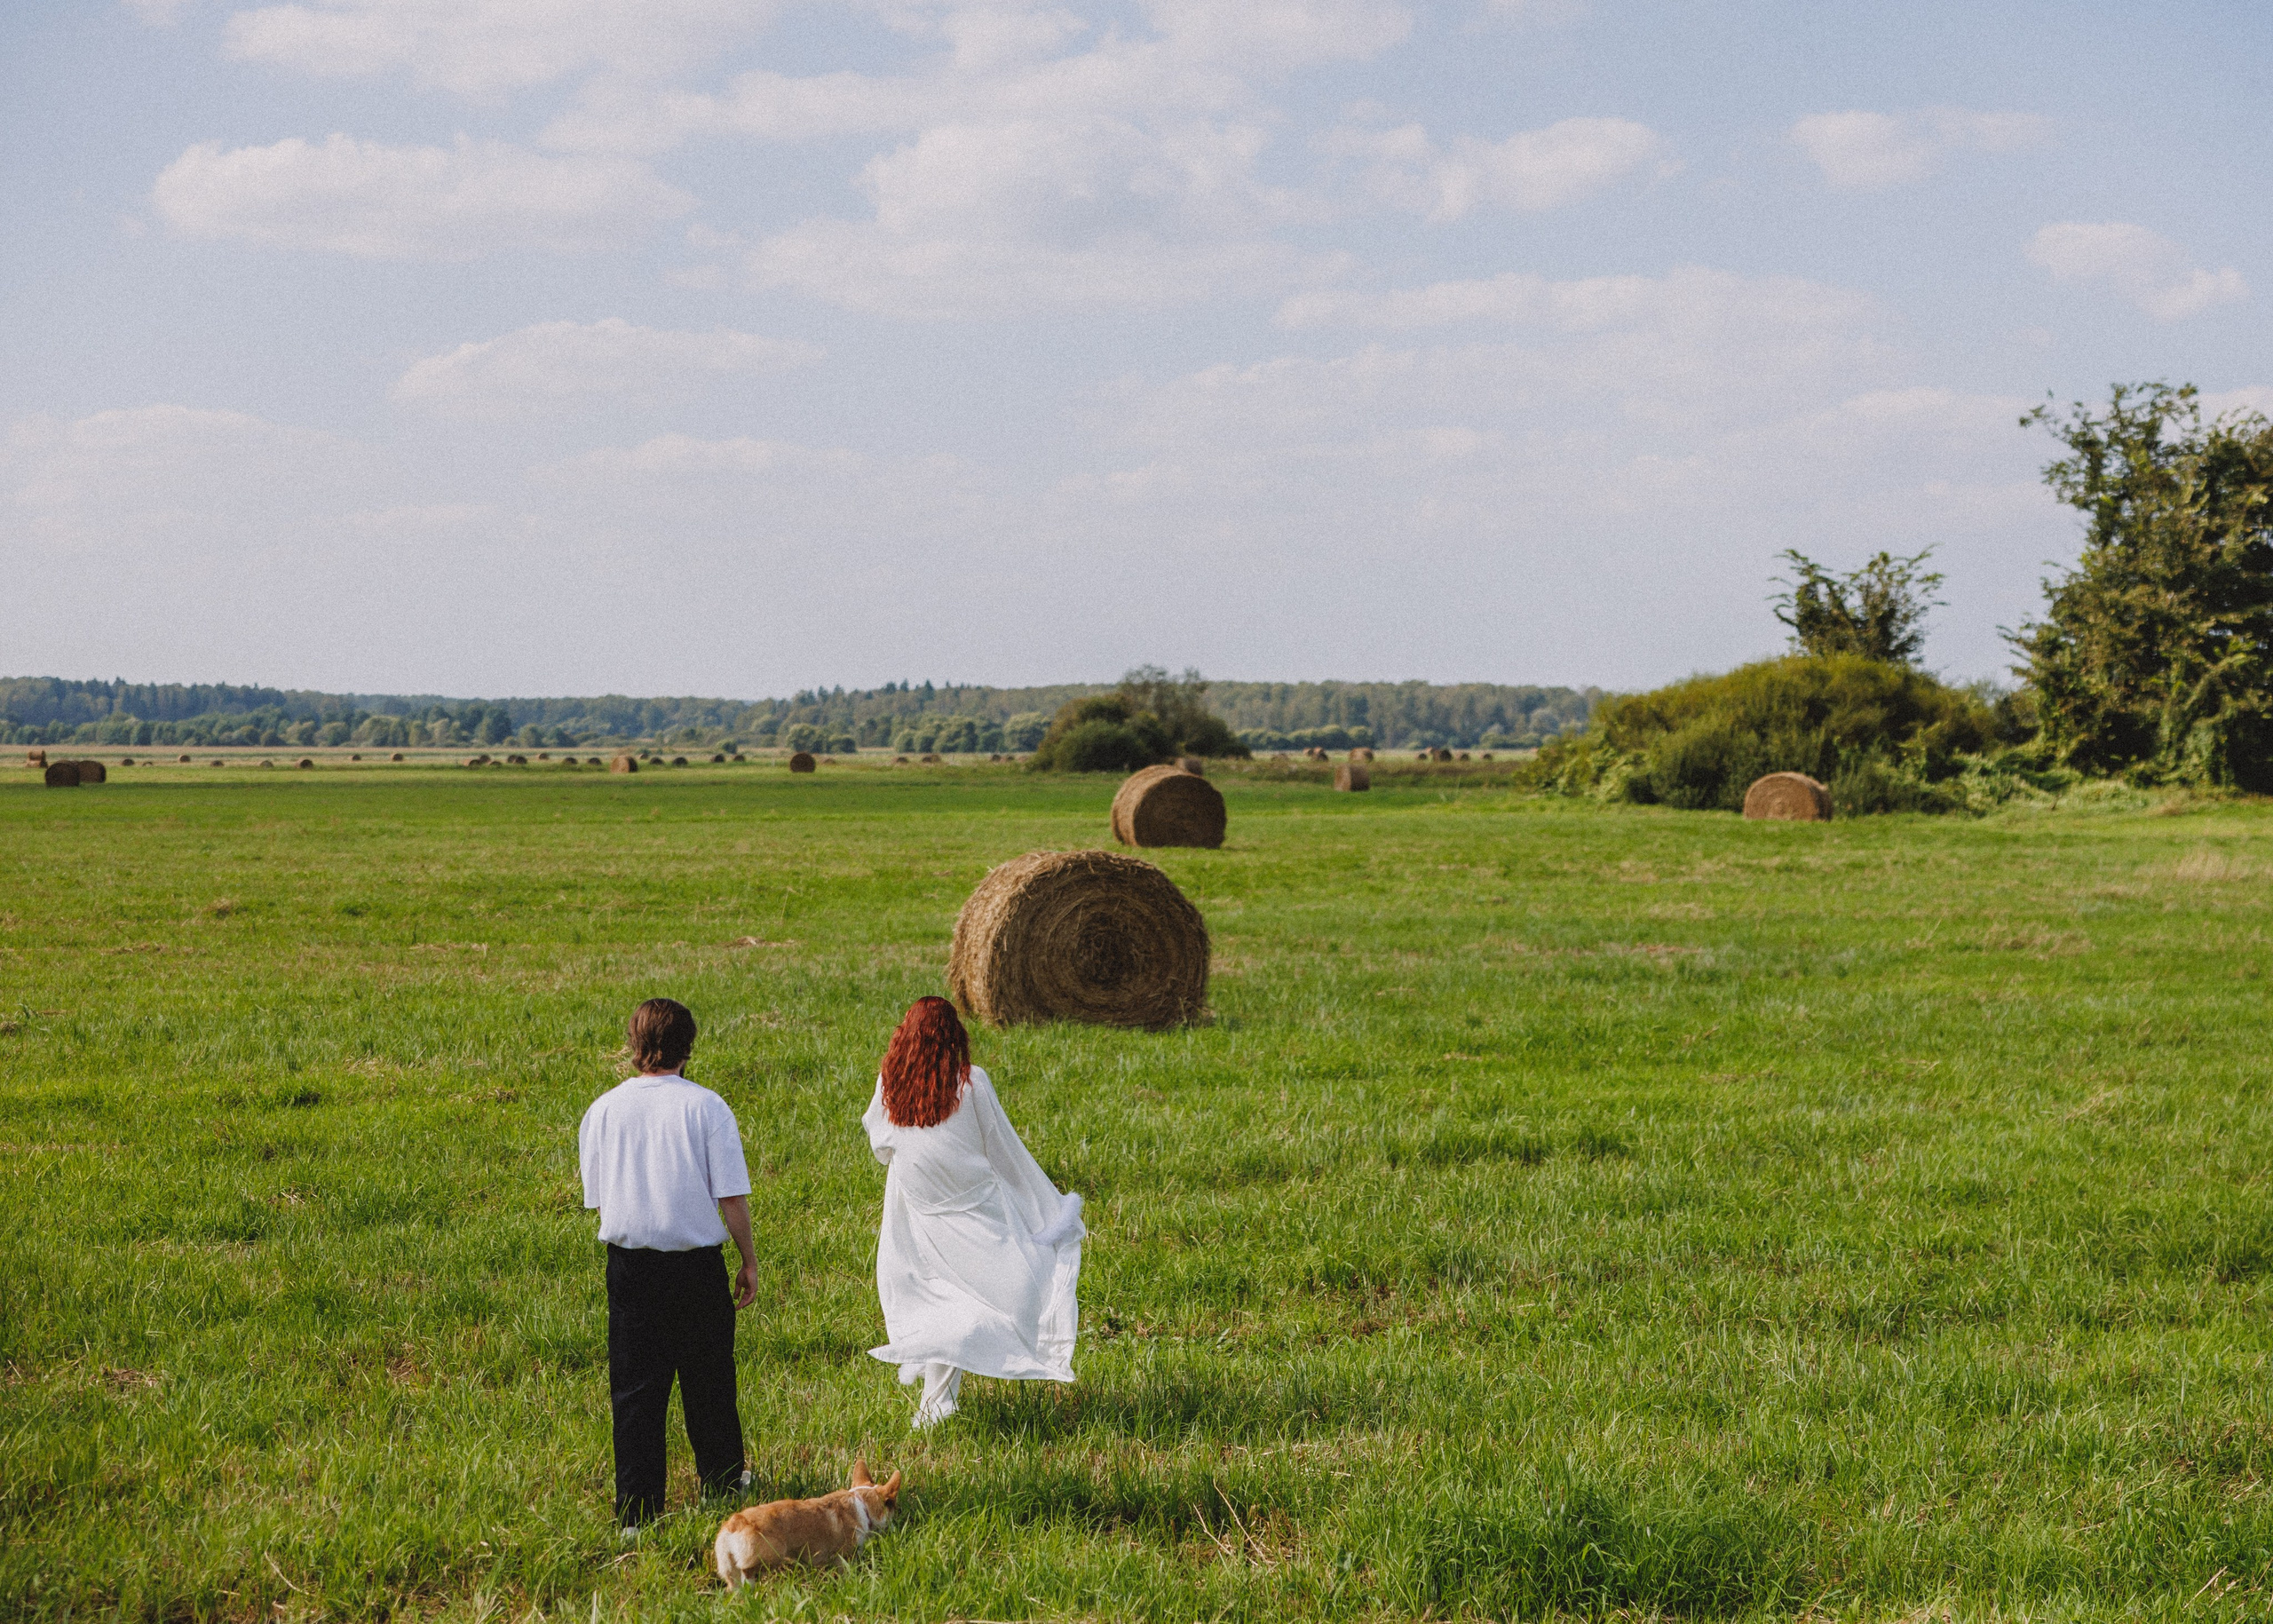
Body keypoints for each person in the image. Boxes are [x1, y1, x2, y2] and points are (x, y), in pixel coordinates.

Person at [863, 995, 1086, 1429]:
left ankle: (937, 1401)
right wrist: (1046, 1211)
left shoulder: (890, 1083)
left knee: (947, 1296)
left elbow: (881, 1146)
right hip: (973, 1214)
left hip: (921, 1216)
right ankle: (937, 1402)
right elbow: (1005, 1152)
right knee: (1003, 1294)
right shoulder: (971, 1084)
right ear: (955, 1038)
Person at [579, 997, 758, 1531]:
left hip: (629, 1267)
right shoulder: (707, 1108)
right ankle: (722, 1484)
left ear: (634, 1046)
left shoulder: (603, 1110)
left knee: (635, 1387)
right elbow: (731, 1196)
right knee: (709, 1378)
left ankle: (637, 1509)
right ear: (688, 1046)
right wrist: (748, 1259)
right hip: (696, 1264)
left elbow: (598, 1198)